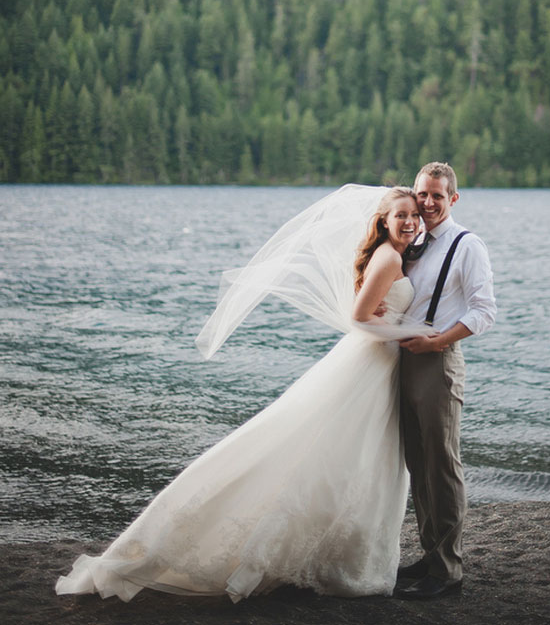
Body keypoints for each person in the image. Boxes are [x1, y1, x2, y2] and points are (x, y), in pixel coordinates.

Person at [56, 186, 430, 604]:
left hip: (377, 366)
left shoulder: (396, 255)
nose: (410, 221)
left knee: (356, 459)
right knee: (339, 456)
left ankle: (335, 554)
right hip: (370, 365)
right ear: (384, 220)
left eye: (414, 215)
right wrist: (413, 332)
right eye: (401, 215)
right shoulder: (390, 257)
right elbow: (359, 317)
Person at [395, 161, 496, 601]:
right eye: (423, 194)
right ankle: (430, 552)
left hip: (438, 364)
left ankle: (449, 569)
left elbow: (484, 311)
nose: (429, 202)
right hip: (402, 363)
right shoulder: (413, 241)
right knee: (418, 465)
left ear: (452, 199)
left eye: (438, 195)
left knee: (443, 466)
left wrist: (439, 342)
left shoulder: (467, 245)